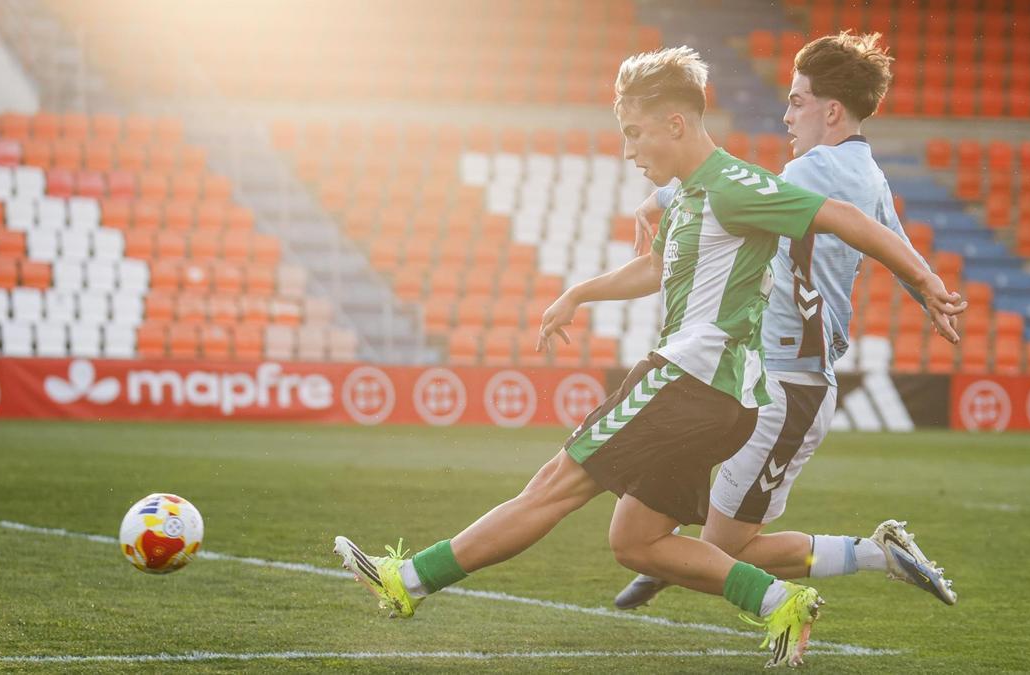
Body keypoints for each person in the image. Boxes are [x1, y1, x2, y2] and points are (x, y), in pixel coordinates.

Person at [333, 45, 965, 668]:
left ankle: (408, 580)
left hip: (689, 380)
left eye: (635, 134)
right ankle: (780, 601)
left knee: (553, 487)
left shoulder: (737, 186)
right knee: (636, 542)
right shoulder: (692, 195)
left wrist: (927, 282)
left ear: (676, 124)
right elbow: (657, 267)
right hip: (720, 397)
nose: (629, 151)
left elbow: (844, 216)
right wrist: (579, 294)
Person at [614, 32, 961, 613]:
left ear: (832, 111)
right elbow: (893, 244)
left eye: (797, 101)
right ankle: (658, 557)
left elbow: (736, 188)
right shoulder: (868, 174)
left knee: (723, 553)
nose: (786, 115)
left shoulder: (812, 172)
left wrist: (664, 197)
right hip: (766, 377)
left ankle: (876, 553)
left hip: (787, 382)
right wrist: (929, 290)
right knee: (709, 544)